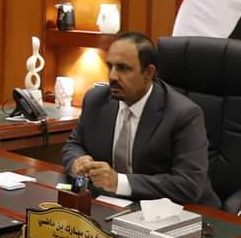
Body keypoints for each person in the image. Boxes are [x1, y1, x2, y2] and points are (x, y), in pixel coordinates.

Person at [61, 32, 220, 207]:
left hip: (181, 212)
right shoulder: (96, 100)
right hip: (114, 206)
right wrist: (78, 161)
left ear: (149, 73)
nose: (112, 76)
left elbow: (188, 185)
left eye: (123, 68)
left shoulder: (183, 114)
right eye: (110, 66)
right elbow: (74, 144)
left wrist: (119, 182)